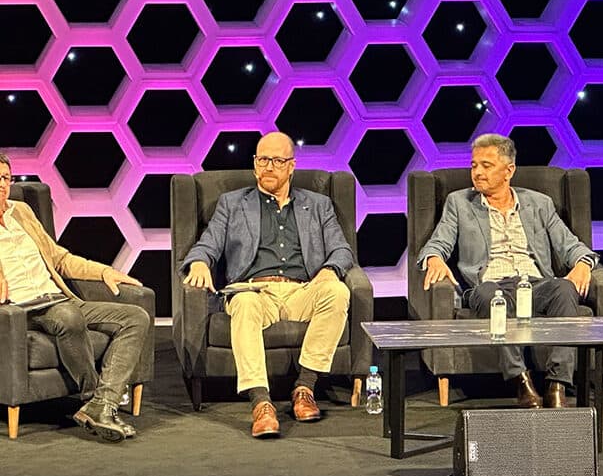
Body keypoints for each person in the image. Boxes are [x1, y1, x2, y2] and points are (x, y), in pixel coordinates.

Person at [180, 131, 352, 438]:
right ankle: (261, 403)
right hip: (255, 291)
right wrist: (199, 262)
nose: (268, 167)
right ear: (254, 164)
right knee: (243, 304)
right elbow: (208, 243)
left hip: (303, 289)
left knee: (338, 291)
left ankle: (305, 388)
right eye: (262, 160)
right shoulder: (233, 204)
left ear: (291, 166)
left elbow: (341, 250)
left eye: (276, 160)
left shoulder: (318, 205)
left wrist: (330, 269)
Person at [417, 133, 599, 408]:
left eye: (486, 166)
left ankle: (557, 384)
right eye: (474, 165)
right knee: (494, 298)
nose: (477, 172)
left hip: (535, 284)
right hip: (489, 285)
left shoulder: (539, 204)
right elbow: (438, 242)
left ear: (509, 170)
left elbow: (570, 244)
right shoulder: (459, 203)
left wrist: (584, 263)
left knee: (564, 287)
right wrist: (434, 258)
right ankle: (521, 380)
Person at [0, 153, 150, 443]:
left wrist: (104, 272)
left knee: (135, 317)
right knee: (69, 317)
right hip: (22, 310)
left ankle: (101, 404)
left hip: (58, 297)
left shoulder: (21, 212)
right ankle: (95, 397)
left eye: (5, 178)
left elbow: (60, 259)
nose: (1, 185)